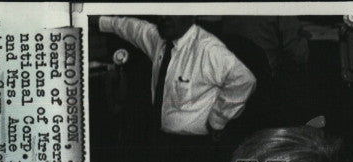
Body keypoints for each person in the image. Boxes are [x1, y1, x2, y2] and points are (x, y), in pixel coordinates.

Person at [97, 15, 256, 138]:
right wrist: (99, 21)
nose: (164, 17)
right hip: (160, 137)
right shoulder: (161, 38)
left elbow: (244, 80)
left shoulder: (207, 49)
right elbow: (133, 28)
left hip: (193, 146)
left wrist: (217, 121)